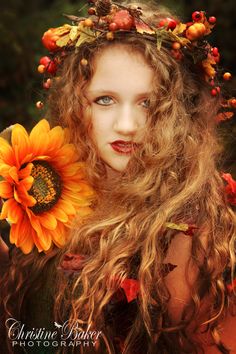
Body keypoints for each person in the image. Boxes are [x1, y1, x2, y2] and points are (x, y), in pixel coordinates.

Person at [0, 1, 236, 353]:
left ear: (175, 112)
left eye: (147, 103)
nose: (127, 126)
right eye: (105, 100)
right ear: (76, 104)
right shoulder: (51, 192)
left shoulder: (194, 223)